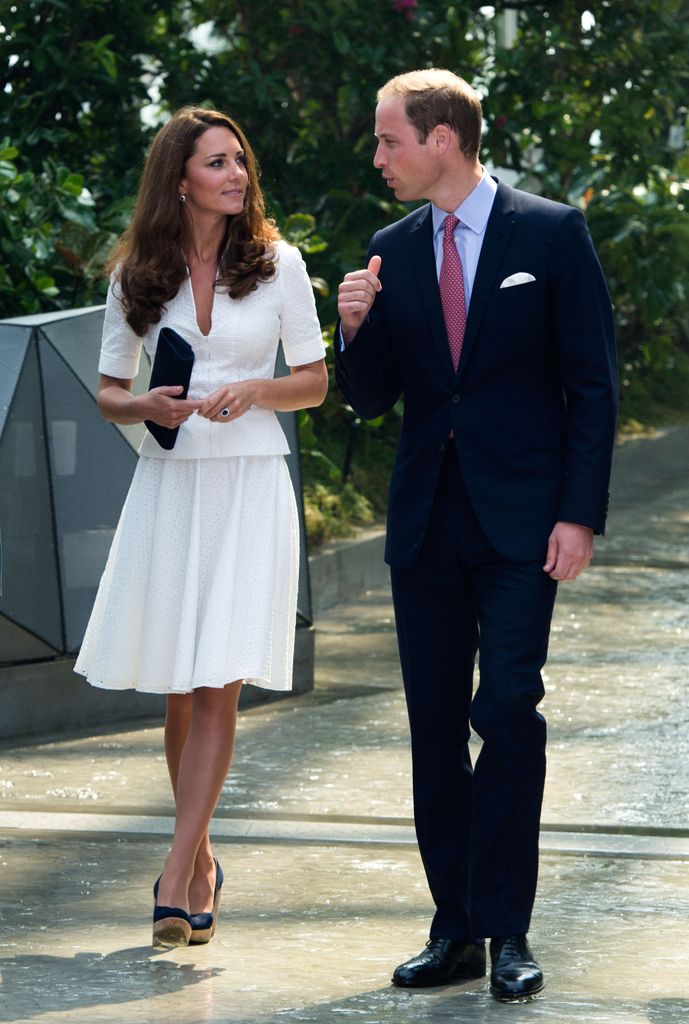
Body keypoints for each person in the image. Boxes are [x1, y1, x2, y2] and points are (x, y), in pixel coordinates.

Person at [336, 69, 617, 1001]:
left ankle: (508, 930)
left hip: (521, 522)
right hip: (426, 523)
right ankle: (453, 927)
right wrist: (355, 331)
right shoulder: (391, 249)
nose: (379, 158)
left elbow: (592, 385)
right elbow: (374, 398)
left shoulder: (551, 233)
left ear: (443, 139)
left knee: (504, 710)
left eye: (389, 140)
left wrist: (577, 513)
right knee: (431, 726)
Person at [74, 106, 328, 948]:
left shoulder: (280, 265)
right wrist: (144, 404)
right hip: (172, 486)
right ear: (178, 179)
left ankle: (175, 869)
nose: (236, 175)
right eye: (217, 163)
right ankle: (204, 861)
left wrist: (257, 390)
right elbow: (108, 392)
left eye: (239, 161)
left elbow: (314, 381)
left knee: (219, 680)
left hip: (250, 483)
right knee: (181, 687)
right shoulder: (137, 274)